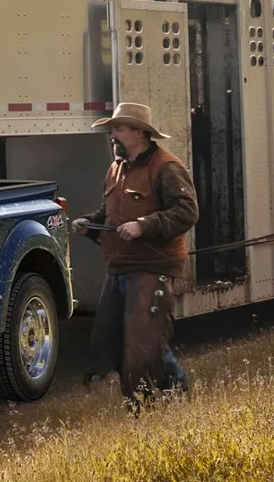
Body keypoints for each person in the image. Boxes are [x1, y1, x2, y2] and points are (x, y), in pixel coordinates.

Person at [72, 102, 199, 413]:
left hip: (152, 268)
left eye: (118, 128)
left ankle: (142, 413)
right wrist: (89, 224)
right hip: (119, 267)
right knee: (118, 343)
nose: (112, 134)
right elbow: (111, 215)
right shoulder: (116, 168)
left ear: (139, 133)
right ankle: (176, 391)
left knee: (138, 350)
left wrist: (144, 226)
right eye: (112, 128)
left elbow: (187, 211)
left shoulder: (167, 167)